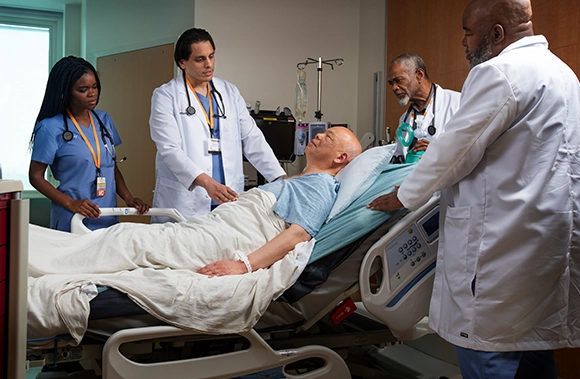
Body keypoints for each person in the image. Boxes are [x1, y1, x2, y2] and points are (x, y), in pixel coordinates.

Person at [368, 0, 580, 377]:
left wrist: (402, 196)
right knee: (532, 355)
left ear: (496, 33)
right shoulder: (564, 76)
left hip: (499, 253)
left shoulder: (500, 72)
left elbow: (454, 152)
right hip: (545, 251)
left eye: (468, 32)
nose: (464, 42)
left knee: (489, 355)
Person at [32, 126, 361, 277]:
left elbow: (298, 235)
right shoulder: (299, 180)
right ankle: (33, 257)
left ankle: (36, 265)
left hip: (229, 238)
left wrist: (242, 265)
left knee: (128, 239)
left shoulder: (320, 186)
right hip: (218, 226)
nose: (317, 135)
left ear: (340, 157)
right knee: (125, 238)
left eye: (327, 137)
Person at [150, 27, 285, 222]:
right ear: (182, 63)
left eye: (211, 56)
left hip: (227, 196)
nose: (209, 64)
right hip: (187, 199)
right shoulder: (165, 96)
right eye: (200, 59)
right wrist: (207, 183)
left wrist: (279, 178)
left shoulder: (228, 92)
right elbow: (170, 149)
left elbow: (251, 138)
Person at [29, 56, 150, 232]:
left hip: (106, 216)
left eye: (94, 87)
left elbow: (110, 166)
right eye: (83, 89)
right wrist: (71, 203)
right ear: (66, 91)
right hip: (72, 216)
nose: (92, 93)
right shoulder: (50, 128)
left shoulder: (103, 120)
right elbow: (35, 176)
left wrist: (128, 198)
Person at [387, 53, 461, 163]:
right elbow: (399, 156)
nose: (394, 88)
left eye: (399, 80)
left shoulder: (457, 102)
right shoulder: (404, 119)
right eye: (391, 83)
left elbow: (472, 145)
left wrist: (438, 151)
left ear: (419, 75)